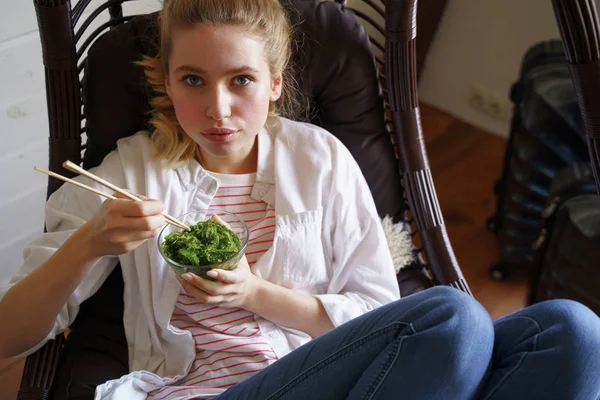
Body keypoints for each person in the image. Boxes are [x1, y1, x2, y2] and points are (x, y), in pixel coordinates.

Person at [1, 0, 599, 399]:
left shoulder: (321, 159)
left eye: (241, 80)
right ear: (166, 78)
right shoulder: (131, 172)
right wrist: (88, 242)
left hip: (345, 377)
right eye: (192, 80)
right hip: (208, 390)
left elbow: (378, 315)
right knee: (455, 319)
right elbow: (9, 338)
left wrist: (253, 292)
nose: (218, 109)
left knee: (575, 331)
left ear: (275, 82)